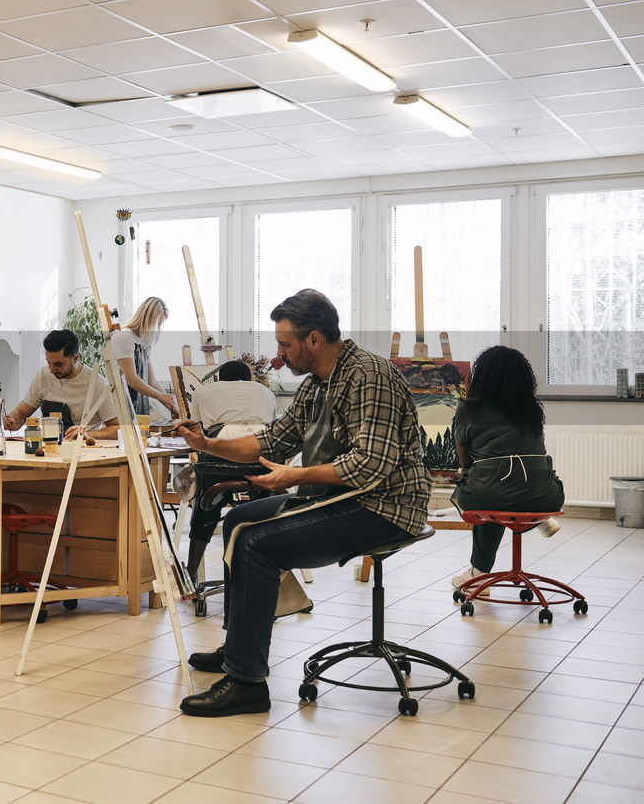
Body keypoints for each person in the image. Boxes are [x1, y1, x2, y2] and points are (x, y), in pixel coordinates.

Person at [176, 289, 429, 717]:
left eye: (285, 344)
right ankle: (239, 646)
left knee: (258, 543)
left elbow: (369, 465)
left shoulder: (369, 375)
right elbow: (273, 440)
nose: (279, 355)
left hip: (385, 507)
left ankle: (246, 683)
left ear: (314, 339)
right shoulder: (317, 385)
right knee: (238, 519)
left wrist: (294, 476)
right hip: (345, 498)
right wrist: (208, 444)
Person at [449, 345, 564, 594]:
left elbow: (465, 462)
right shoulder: (531, 410)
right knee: (504, 493)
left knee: (484, 497)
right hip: (546, 495)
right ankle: (542, 519)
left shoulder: (468, 409)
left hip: (489, 492)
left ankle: (478, 575)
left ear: (482, 377)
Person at [184, 359, 278, 582]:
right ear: (249, 379)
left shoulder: (203, 392)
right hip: (260, 460)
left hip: (220, 461)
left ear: (220, 378)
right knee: (266, 512)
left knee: (204, 511)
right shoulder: (265, 392)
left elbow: (198, 431)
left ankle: (191, 573)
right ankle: (273, 578)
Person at [4, 328, 119, 441]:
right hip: (50, 446)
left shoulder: (96, 383)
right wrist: (12, 420)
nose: (52, 369)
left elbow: (118, 429)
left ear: (75, 358)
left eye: (58, 364)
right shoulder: (44, 376)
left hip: (82, 451)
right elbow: (21, 413)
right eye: (49, 363)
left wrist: (88, 434)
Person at [111, 296, 177, 418]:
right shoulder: (125, 337)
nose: (158, 328)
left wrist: (173, 407)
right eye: (158, 323)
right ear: (149, 319)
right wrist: (161, 396)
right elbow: (131, 379)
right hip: (123, 404)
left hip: (140, 404)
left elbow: (152, 382)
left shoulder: (145, 342)